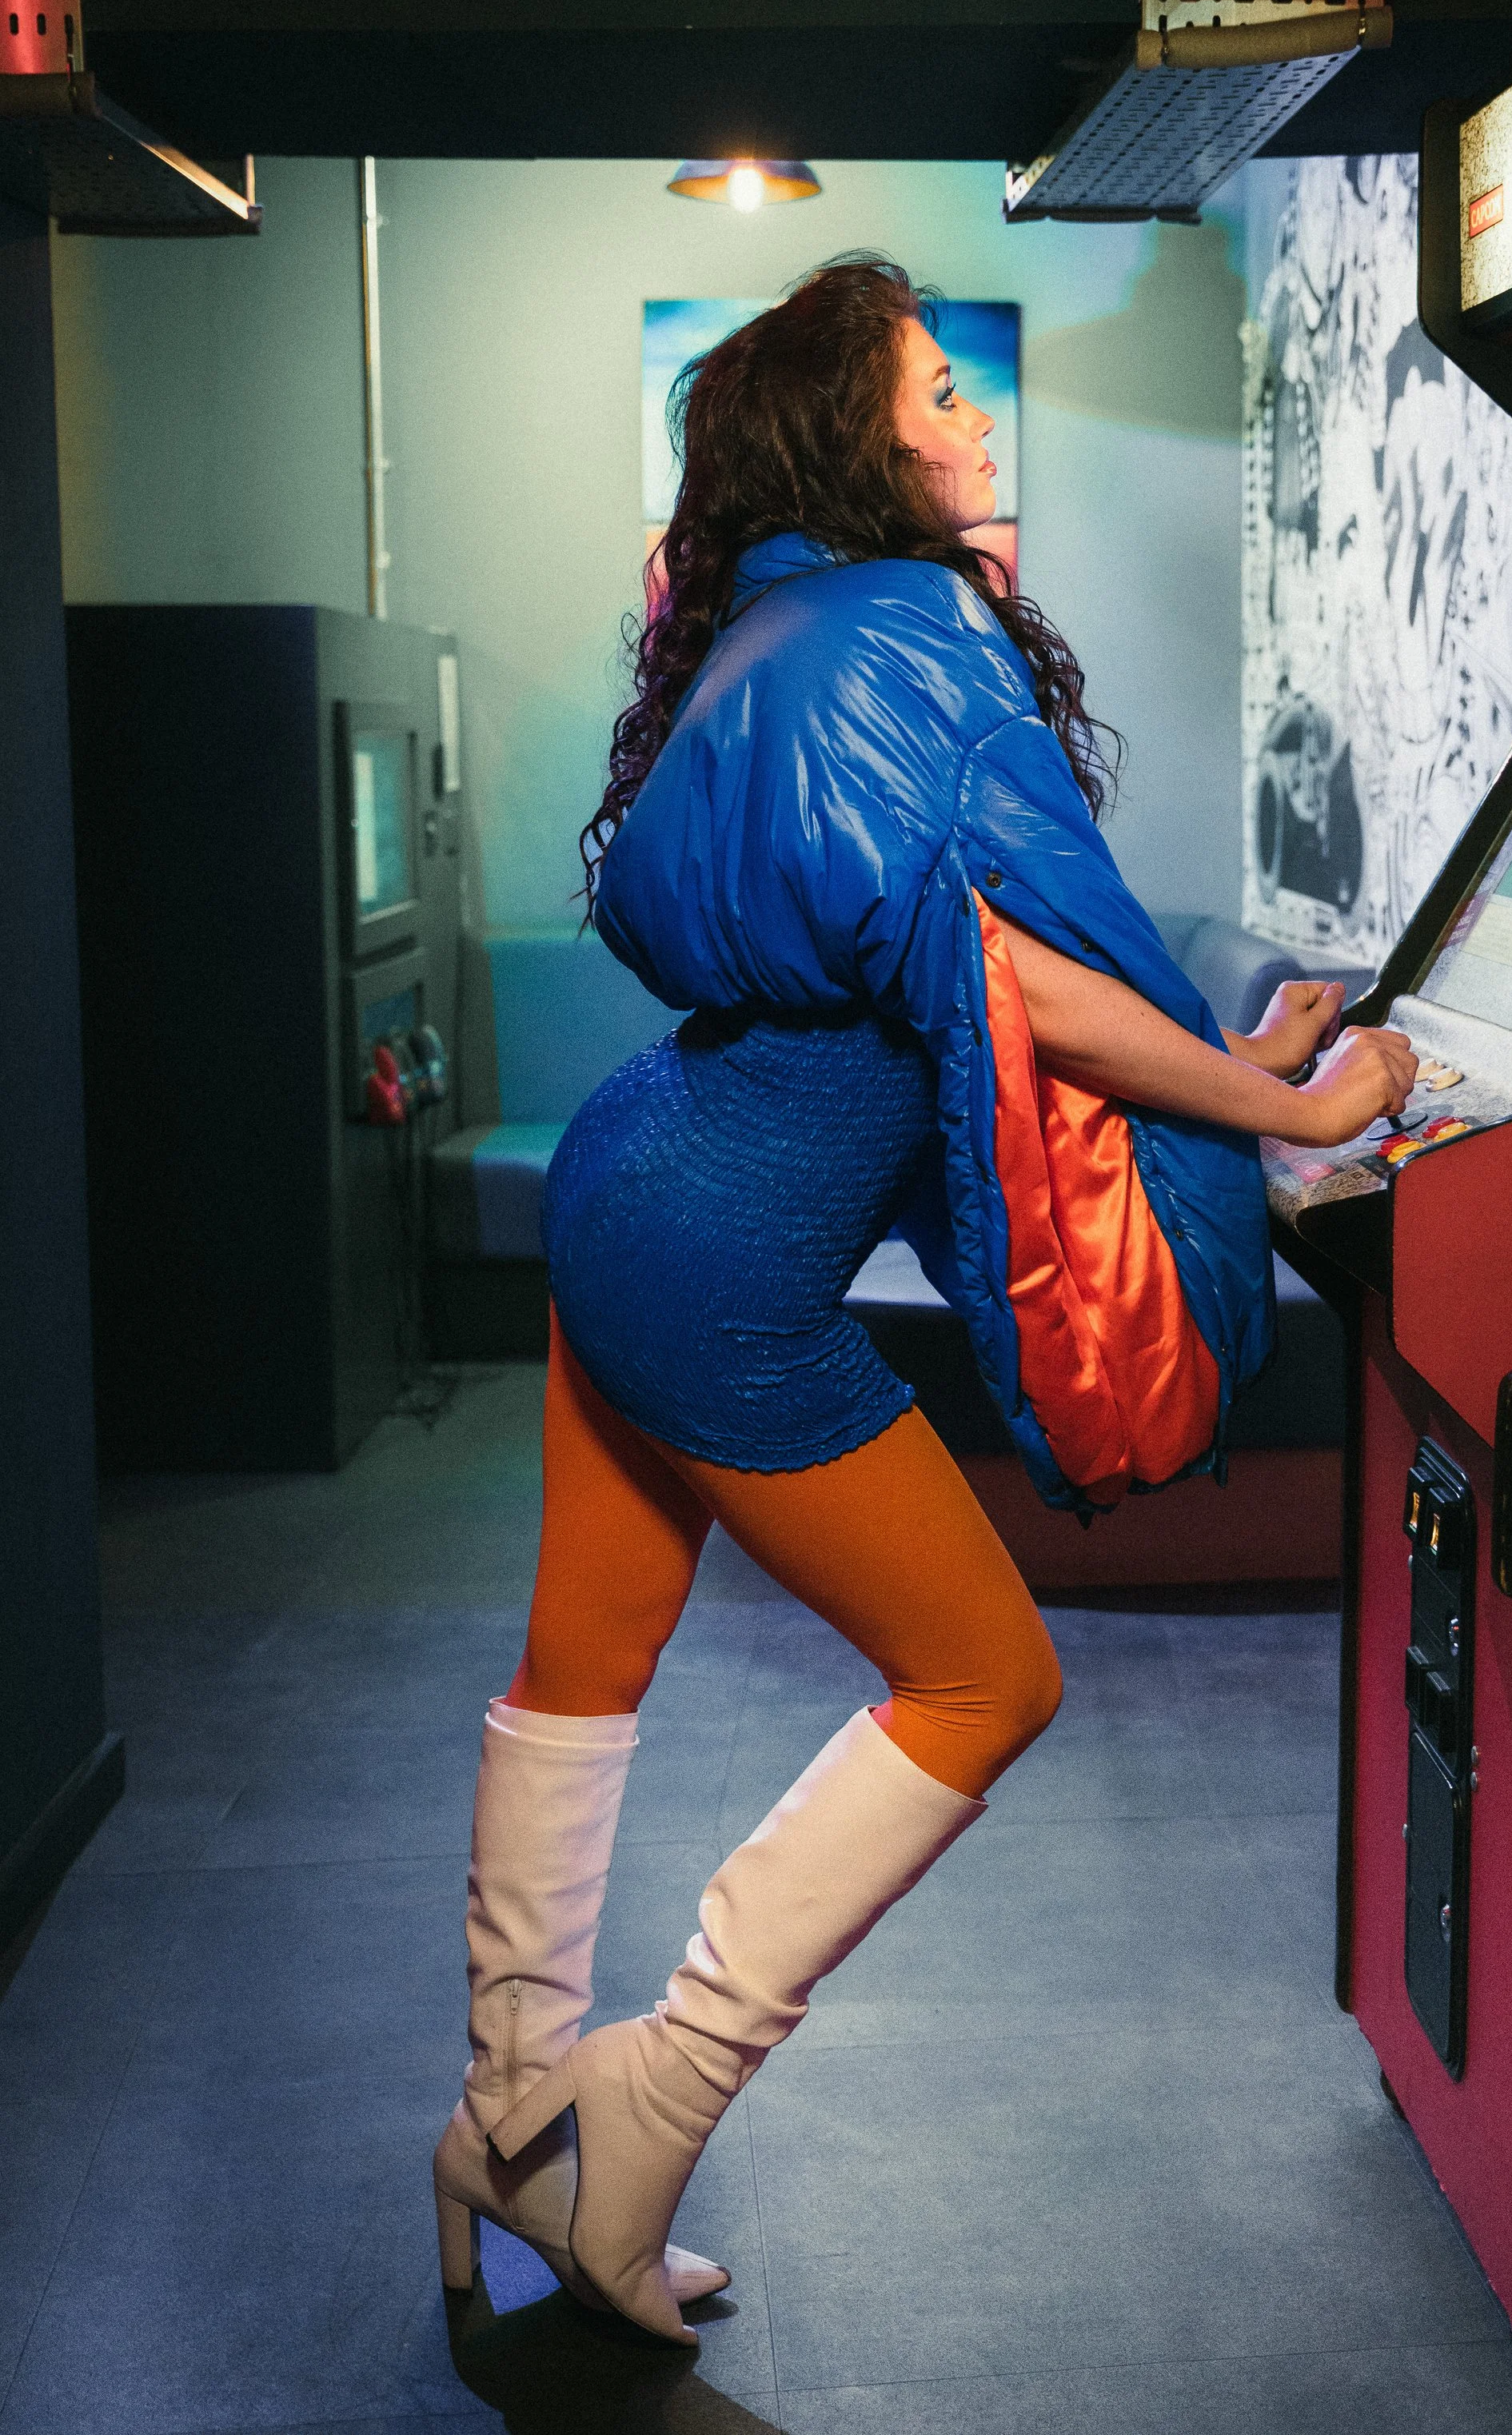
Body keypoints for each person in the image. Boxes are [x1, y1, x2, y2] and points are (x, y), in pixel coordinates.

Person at [431, 255, 1416, 2342]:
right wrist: (1285, 1096)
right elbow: (1020, 976)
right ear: (856, 437)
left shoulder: (756, 631)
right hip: (722, 1267)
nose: (973, 416)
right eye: (936, 387)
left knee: (577, 1669)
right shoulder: (906, 630)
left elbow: (941, 968)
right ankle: (642, 2101)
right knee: (985, 1680)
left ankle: (510, 2110)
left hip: (634, 1184)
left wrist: (1246, 1065)